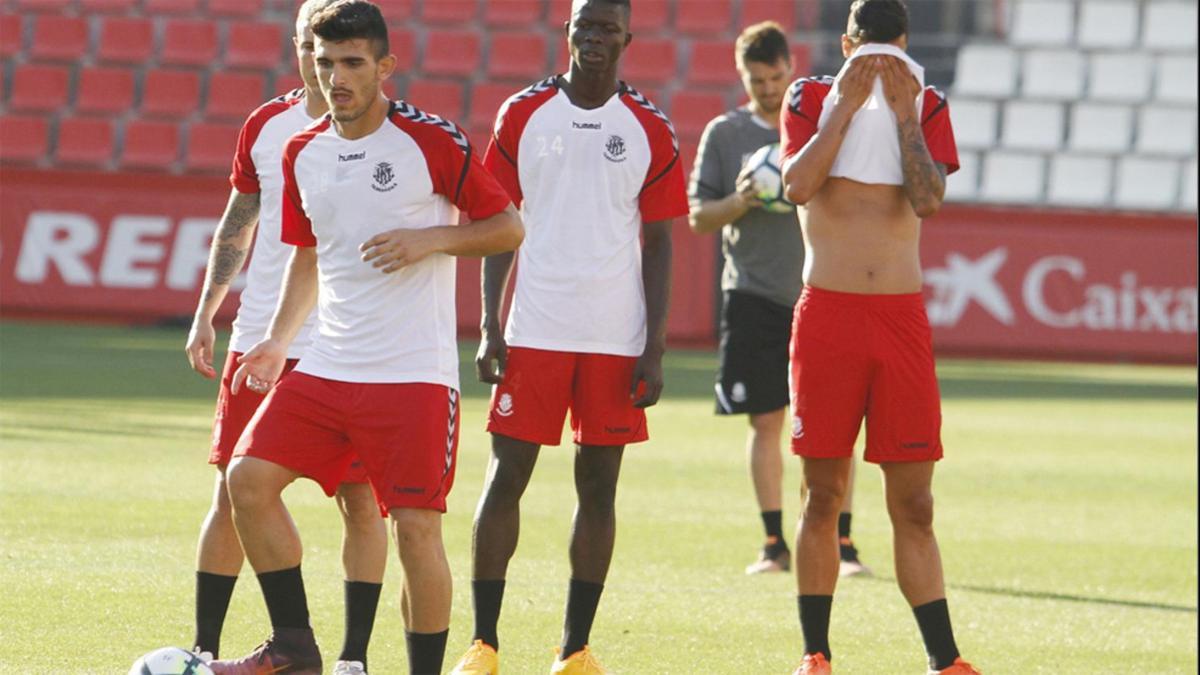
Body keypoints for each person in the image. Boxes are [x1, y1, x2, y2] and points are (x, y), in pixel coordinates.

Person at [206, 2, 523, 673]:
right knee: (247, 481)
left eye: (352, 63)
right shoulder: (303, 151)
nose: (336, 77)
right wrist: (274, 338)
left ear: (385, 66)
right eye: (326, 63)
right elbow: (307, 256)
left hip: (412, 374)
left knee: (414, 529)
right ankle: (295, 646)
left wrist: (430, 238)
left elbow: (506, 227)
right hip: (327, 364)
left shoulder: (432, 141)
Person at [448, 1, 687, 673]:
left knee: (599, 488)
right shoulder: (523, 116)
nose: (595, 37)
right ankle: (483, 642)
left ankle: (575, 648)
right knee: (506, 478)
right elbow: (500, 222)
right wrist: (492, 324)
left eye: (608, 27)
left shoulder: (649, 128)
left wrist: (655, 347)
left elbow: (662, 243)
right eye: (585, 24)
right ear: (568, 32)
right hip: (537, 328)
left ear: (627, 38)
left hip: (615, 334)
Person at [183, 1, 388, 672]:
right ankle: (204, 645)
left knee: (361, 501)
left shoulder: (381, 135)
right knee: (233, 491)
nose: (315, 59)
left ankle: (354, 656)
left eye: (328, 48)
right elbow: (238, 218)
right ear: (295, 44)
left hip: (343, 344)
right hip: (259, 333)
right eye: (306, 44)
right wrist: (208, 308)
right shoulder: (266, 126)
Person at [779, 1, 978, 673]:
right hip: (829, 314)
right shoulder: (810, 96)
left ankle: (944, 658)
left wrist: (900, 111)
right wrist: (846, 103)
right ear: (846, 44)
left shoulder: (927, 104)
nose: (881, 69)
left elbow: (926, 198)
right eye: (869, 55)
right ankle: (816, 653)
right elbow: (798, 184)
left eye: (891, 56)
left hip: (898, 318)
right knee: (823, 494)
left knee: (915, 502)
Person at [687, 21, 870, 578]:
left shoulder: (818, 127)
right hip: (752, 291)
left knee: (835, 423)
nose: (768, 88)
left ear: (790, 67)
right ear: (742, 77)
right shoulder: (725, 133)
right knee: (765, 422)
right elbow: (698, 216)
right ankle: (773, 542)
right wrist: (740, 200)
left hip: (821, 289)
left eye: (775, 76)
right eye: (756, 79)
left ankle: (843, 542)